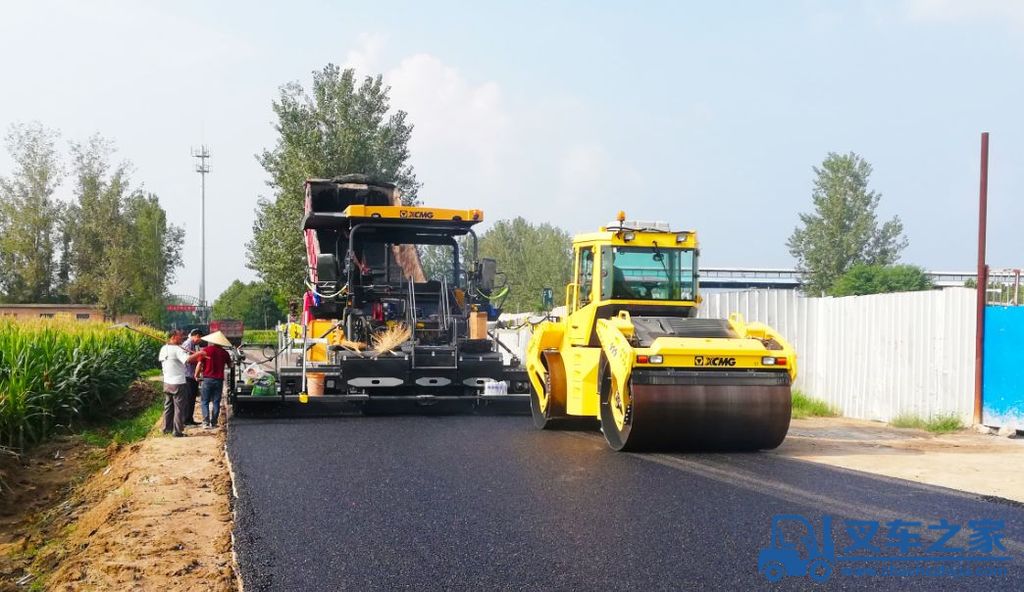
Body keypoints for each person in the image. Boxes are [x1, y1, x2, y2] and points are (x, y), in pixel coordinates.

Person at [158, 331, 203, 437]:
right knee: (179, 408)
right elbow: (187, 360)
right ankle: (177, 431)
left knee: (168, 406)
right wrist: (199, 354)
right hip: (178, 382)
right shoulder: (177, 349)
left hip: (167, 382)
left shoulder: (164, 349)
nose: (181, 338)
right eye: (179, 336)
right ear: (173, 337)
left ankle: (166, 429)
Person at [196, 330, 233, 428]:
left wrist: (196, 375)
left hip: (207, 379)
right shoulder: (225, 353)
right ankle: (214, 422)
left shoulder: (206, 350)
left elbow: (199, 364)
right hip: (219, 380)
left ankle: (206, 422)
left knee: (205, 401)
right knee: (216, 401)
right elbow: (230, 365)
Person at [181, 329, 203, 426]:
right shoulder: (188, 344)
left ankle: (190, 419)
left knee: (192, 398)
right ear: (196, 336)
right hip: (187, 375)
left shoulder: (194, 345)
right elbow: (187, 360)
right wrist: (199, 359)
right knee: (188, 399)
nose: (200, 340)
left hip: (192, 375)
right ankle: (186, 420)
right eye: (200, 338)